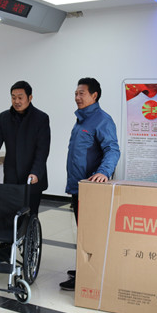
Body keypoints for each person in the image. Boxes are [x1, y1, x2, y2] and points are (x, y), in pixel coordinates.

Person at [60, 77, 120, 291]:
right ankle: (86, 269)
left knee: (91, 234)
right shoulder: (81, 120)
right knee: (84, 233)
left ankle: (89, 276)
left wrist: (103, 172)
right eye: (76, 93)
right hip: (78, 188)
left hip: (91, 190)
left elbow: (112, 149)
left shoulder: (102, 120)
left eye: (82, 93)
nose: (77, 97)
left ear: (94, 95)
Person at [0, 80, 51, 215]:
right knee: (11, 215)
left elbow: (42, 150)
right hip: (12, 175)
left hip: (32, 175)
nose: (16, 101)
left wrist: (36, 172)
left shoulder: (41, 118)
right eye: (13, 97)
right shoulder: (4, 118)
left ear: (30, 97)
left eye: (20, 97)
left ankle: (31, 229)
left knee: (30, 215)